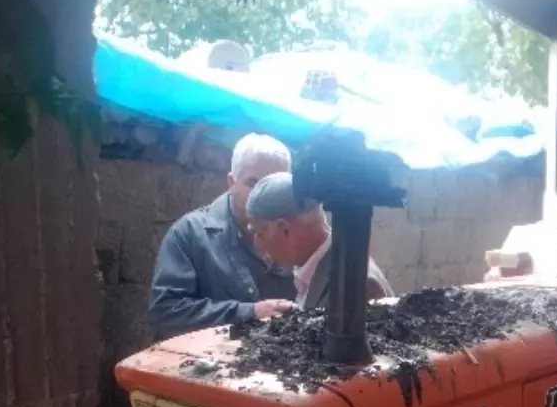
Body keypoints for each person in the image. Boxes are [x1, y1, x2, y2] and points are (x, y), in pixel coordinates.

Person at [147, 133, 299, 338]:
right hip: (205, 364)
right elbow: (166, 311)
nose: (262, 196)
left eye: (273, 186)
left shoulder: (299, 232)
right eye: (252, 183)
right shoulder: (190, 233)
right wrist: (250, 312)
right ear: (231, 182)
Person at [246, 172, 394, 309]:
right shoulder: (325, 267)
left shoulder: (354, 285)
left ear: (285, 230)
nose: (258, 244)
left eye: (260, 234)